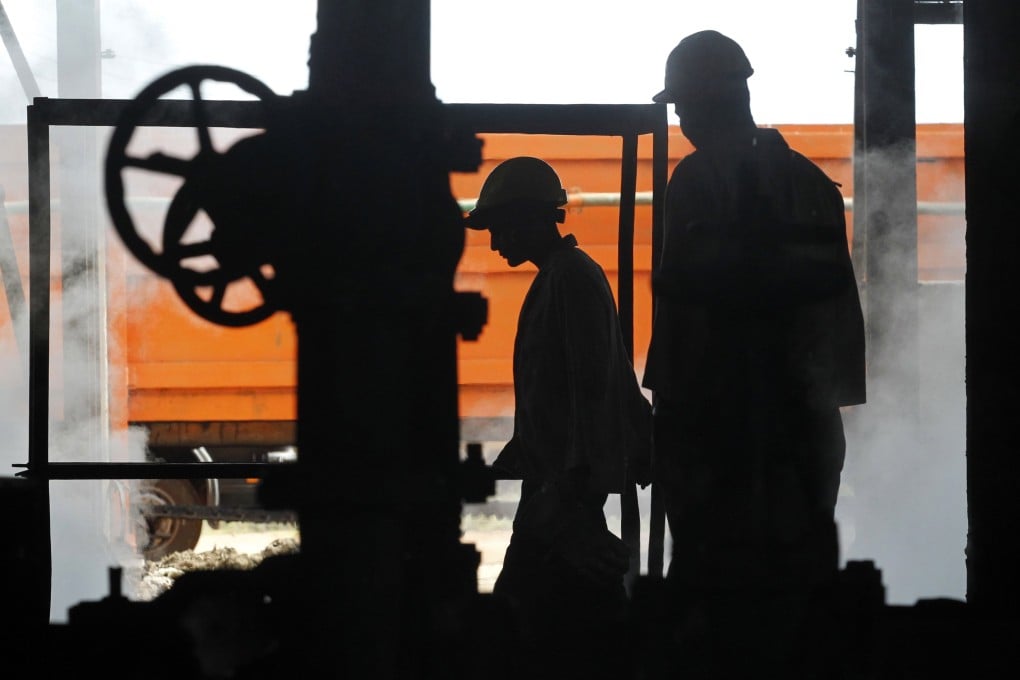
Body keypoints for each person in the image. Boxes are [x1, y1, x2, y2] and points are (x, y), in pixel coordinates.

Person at [641, 30, 866, 677]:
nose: (681, 121)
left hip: (720, 428)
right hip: (808, 424)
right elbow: (841, 311)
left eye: (684, 106)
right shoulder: (814, 186)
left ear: (714, 100)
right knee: (799, 597)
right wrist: (828, 403)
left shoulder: (697, 180)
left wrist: (671, 414)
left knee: (715, 610)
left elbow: (683, 309)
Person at [465, 156, 651, 680]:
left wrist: (567, 501)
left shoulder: (569, 280)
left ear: (528, 218)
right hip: (555, 488)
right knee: (565, 623)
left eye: (498, 227)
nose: (495, 241)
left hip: (561, 494)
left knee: (526, 625)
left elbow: (593, 390)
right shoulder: (560, 278)